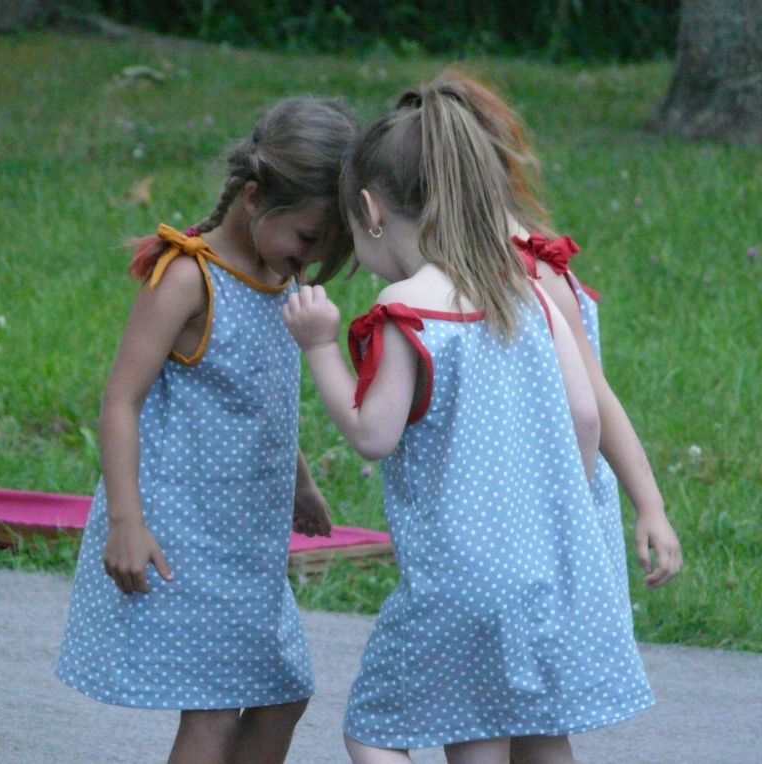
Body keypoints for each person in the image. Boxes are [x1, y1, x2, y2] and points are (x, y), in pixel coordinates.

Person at [283, 84, 654, 764]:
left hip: (454, 582)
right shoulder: (526, 295)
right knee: (495, 726)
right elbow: (583, 415)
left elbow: (372, 434)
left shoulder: (406, 310)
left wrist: (319, 347)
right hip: (536, 574)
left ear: (369, 210)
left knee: (373, 731)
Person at [55, 97, 358, 764]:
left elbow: (260, 396)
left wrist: (301, 481)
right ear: (255, 197)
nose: (310, 260)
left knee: (282, 691)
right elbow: (120, 401)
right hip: (184, 530)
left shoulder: (278, 281)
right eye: (308, 239)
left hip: (245, 537)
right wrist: (126, 523)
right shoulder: (190, 279)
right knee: (217, 709)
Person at [403, 70, 683, 602]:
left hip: (555, 507)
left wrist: (649, 506)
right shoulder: (481, 271)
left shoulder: (531, 274)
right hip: (524, 508)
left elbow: (592, 406)